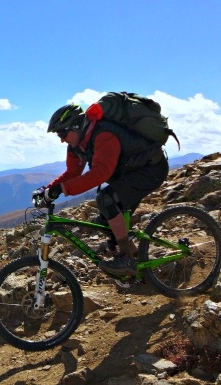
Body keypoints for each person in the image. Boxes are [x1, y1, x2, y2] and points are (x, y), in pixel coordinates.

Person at [33, 103, 169, 276]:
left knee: (107, 200)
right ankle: (140, 264)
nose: (61, 139)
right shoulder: (76, 146)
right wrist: (47, 191)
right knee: (106, 221)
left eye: (62, 133)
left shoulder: (104, 135)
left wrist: (62, 189)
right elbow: (73, 173)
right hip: (128, 173)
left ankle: (127, 258)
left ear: (76, 126)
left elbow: (100, 174)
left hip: (151, 169)